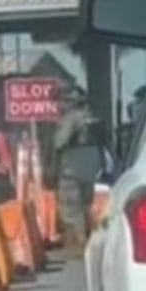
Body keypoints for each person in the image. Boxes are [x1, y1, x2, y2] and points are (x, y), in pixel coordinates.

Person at [52, 85, 104, 256]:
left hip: (73, 165)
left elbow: (60, 142)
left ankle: (80, 244)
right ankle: (90, 240)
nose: (59, 106)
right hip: (92, 162)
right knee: (86, 203)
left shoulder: (70, 118)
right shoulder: (91, 116)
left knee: (71, 206)